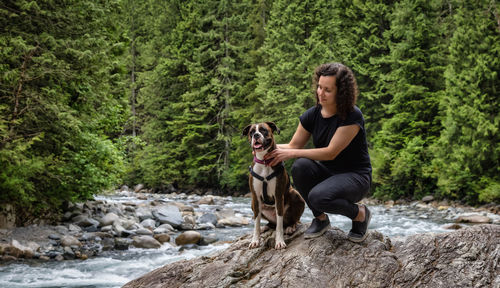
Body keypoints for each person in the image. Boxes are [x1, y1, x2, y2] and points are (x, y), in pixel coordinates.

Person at [264, 62, 372, 242]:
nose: (320, 93)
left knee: (318, 196)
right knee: (300, 167)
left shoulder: (353, 116)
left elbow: (330, 153)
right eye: (319, 87)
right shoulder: (312, 115)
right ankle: (320, 219)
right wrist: (263, 146)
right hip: (328, 174)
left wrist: (292, 154)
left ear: (341, 92)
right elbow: (293, 146)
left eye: (327, 90)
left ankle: (359, 214)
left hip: (356, 177)